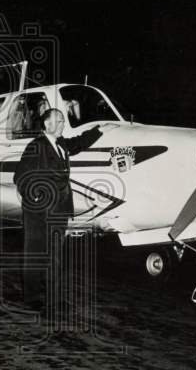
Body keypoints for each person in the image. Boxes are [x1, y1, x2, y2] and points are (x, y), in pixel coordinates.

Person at [12, 108, 118, 309]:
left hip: (59, 208)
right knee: (34, 254)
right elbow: (20, 176)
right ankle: (32, 298)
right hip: (38, 211)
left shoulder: (60, 144)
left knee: (55, 255)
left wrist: (99, 130)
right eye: (59, 121)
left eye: (62, 120)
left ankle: (55, 300)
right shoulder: (36, 146)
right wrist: (36, 195)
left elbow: (77, 144)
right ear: (47, 125)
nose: (63, 124)